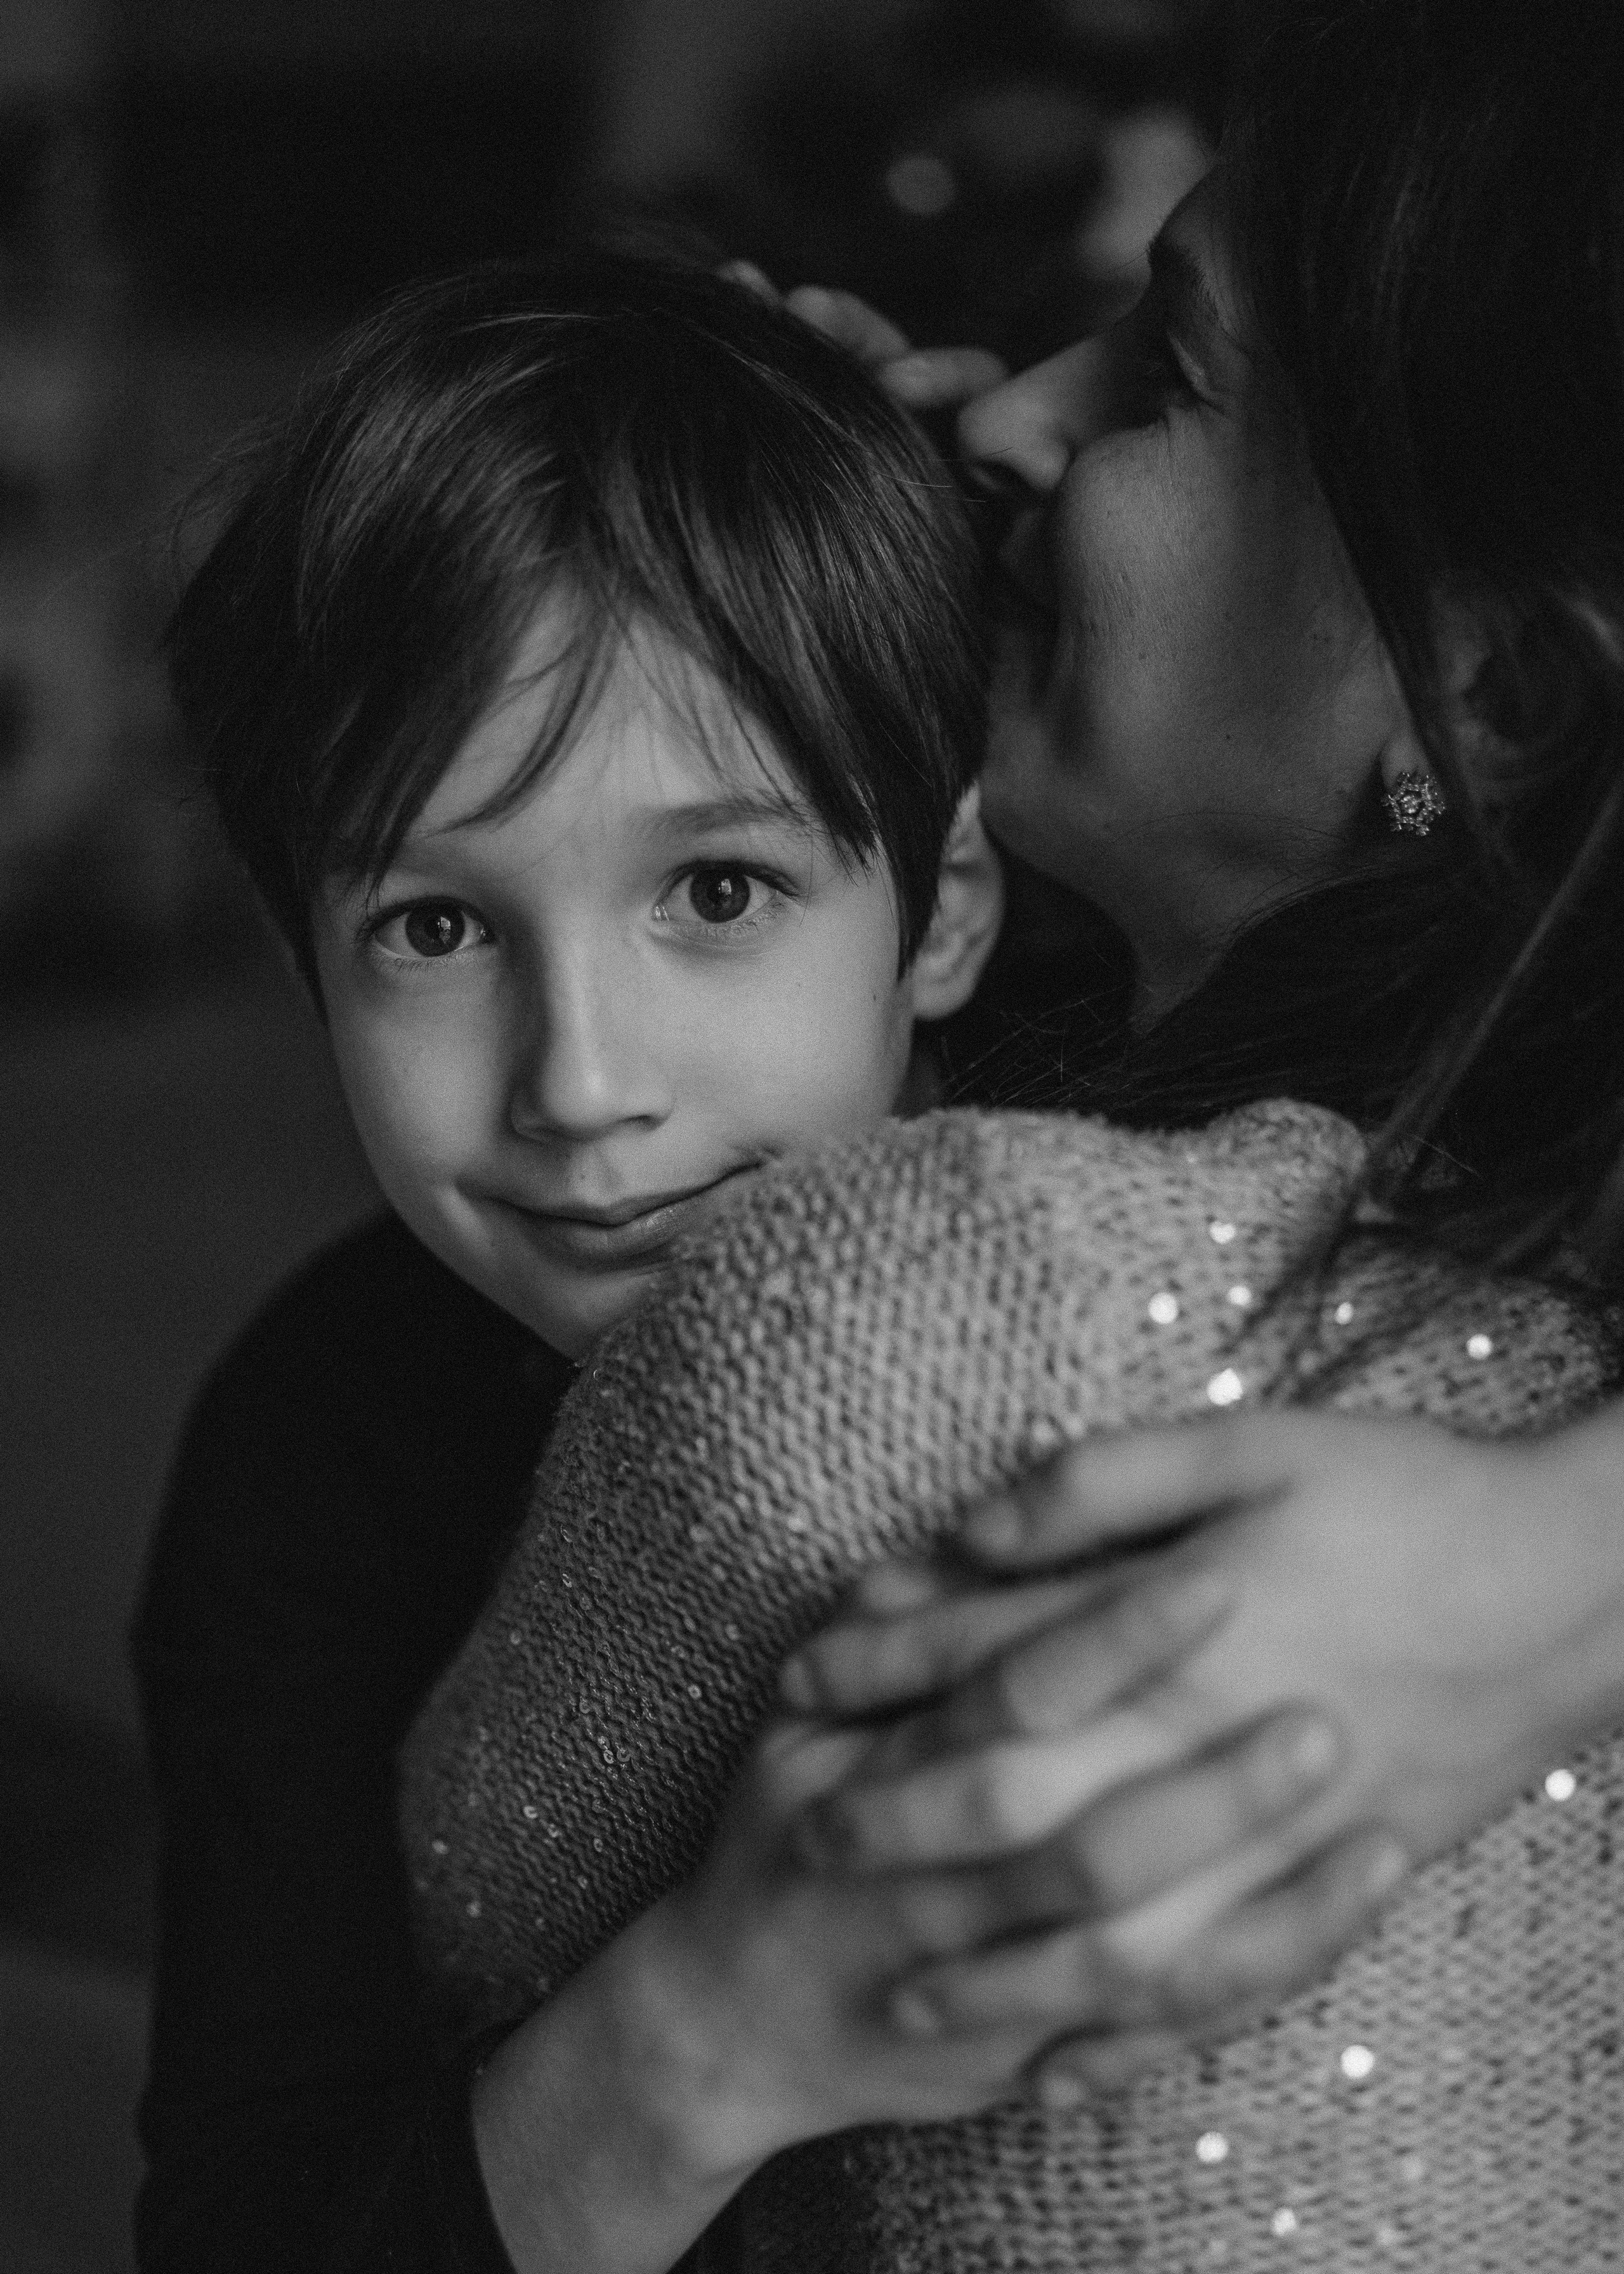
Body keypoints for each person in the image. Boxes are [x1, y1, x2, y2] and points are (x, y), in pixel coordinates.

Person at [393, 1, 1624, 2266]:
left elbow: (459, 1904)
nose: (1006, 410)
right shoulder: (1524, 1273)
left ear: (1493, 700)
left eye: (1161, 378)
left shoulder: (947, 1296)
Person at [133, 242, 1009, 2270]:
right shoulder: (311, 1450)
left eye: (719, 890)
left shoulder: (1164, 1235)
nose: (583, 1086)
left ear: (947, 911)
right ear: (307, 965)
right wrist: (710, 2025)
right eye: (436, 928)